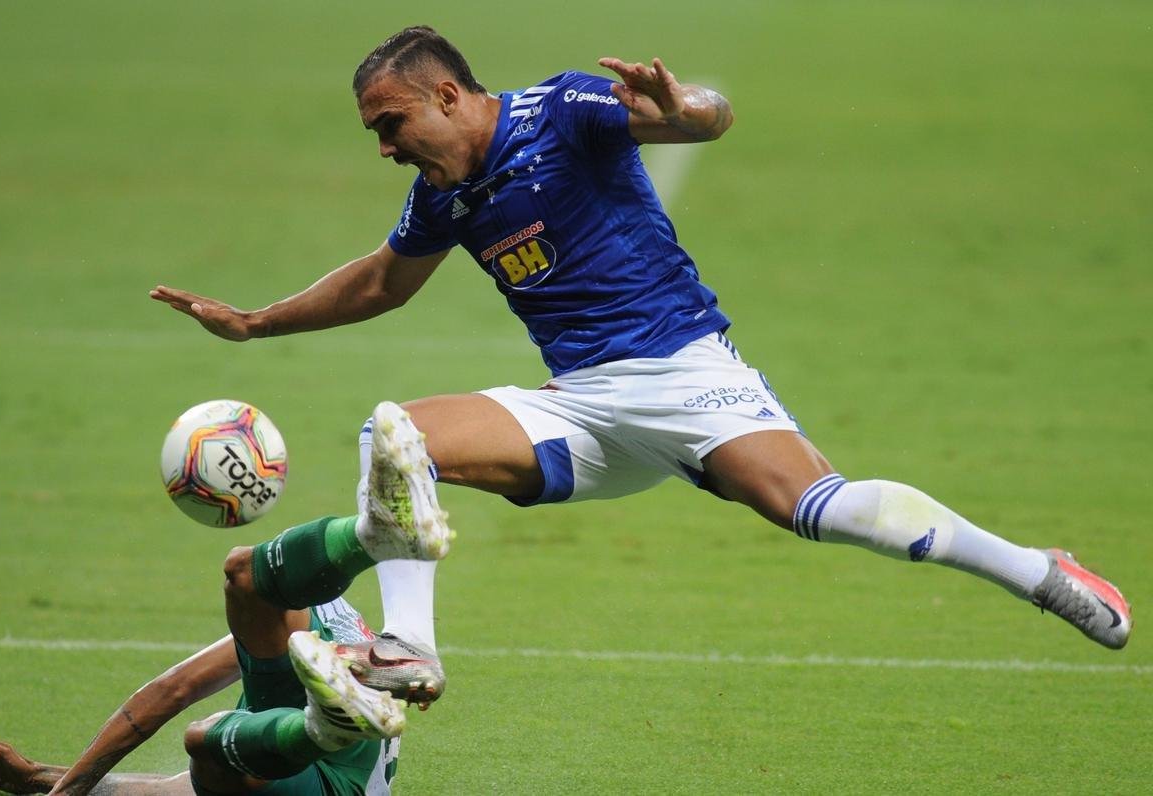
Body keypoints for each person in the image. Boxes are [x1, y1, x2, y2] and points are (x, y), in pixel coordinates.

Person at [150, 25, 1130, 654]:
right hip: (583, 409)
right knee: (396, 436)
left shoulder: (560, 110)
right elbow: (379, 282)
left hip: (681, 373)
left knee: (820, 509)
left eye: (390, 122)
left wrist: (683, 111)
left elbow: (707, 117)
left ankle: (1038, 571)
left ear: (446, 95)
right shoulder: (441, 196)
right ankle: (411, 649)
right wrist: (255, 322)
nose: (383, 146)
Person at [0, 415, 452, 795]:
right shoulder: (294, 656)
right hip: (345, 699)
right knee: (242, 576)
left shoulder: (258, 718)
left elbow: (176, 694)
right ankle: (367, 538)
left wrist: (60, 787)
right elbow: (176, 712)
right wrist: (39, 778)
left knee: (206, 733)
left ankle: (372, 537)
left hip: (334, 762)